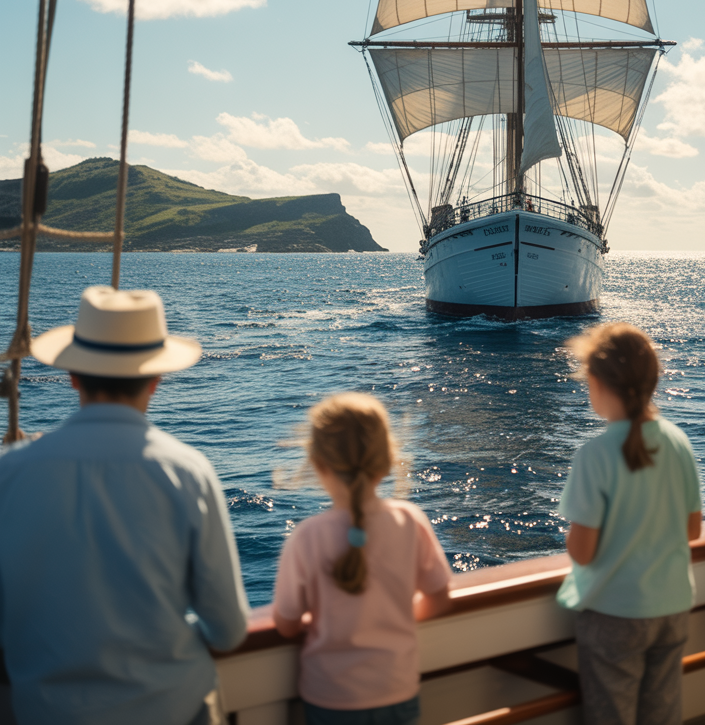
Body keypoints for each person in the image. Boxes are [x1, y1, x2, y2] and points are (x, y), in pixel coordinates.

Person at [0, 285, 249, 725]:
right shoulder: (187, 472)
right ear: (156, 379)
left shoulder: (10, 473)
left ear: (72, 375)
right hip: (172, 707)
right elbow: (228, 630)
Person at [272, 392, 451, 725]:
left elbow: (286, 624)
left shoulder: (307, 536)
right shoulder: (410, 520)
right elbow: (439, 599)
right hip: (397, 689)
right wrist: (393, 616)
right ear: (385, 461)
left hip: (330, 698)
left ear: (318, 464)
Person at [556, 322, 703, 725]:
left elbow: (582, 551)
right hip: (671, 608)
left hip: (614, 614)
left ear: (598, 383)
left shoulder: (595, 455)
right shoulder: (678, 442)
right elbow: (692, 530)